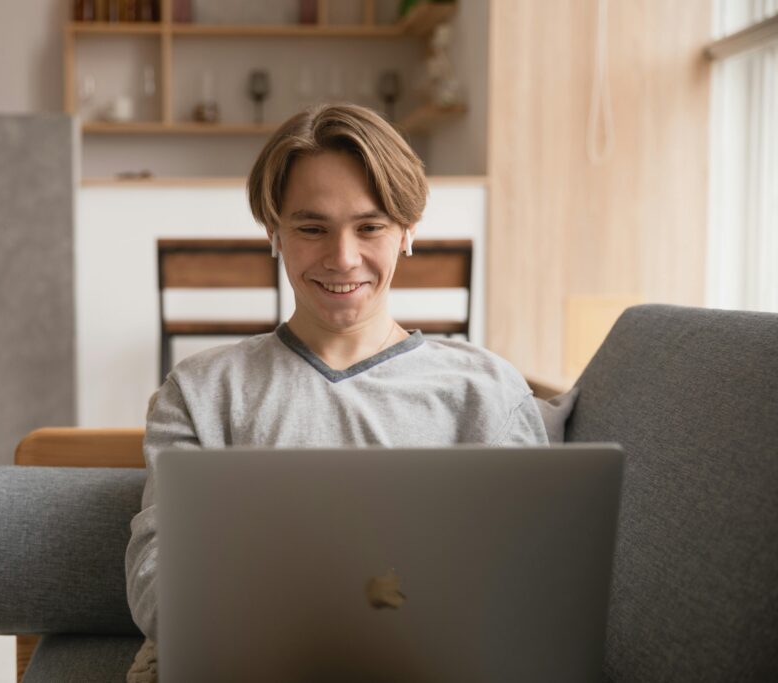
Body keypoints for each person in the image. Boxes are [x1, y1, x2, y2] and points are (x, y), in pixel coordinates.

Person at [124, 103, 548, 678]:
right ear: (274, 232)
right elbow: (158, 578)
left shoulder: (488, 393)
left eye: (370, 227)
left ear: (408, 232)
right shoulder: (201, 393)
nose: (343, 257)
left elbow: (534, 586)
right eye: (311, 227)